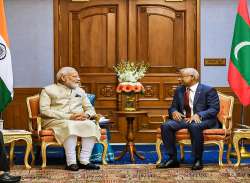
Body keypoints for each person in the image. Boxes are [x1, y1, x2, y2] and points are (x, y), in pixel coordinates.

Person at [157, 68, 220, 170]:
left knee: (194, 126)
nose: (179, 79)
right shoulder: (179, 90)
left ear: (192, 77)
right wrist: (174, 111)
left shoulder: (208, 90)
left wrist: (199, 115)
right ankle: (172, 159)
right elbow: (172, 107)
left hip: (204, 120)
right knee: (166, 125)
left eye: (182, 77)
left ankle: (197, 160)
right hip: (186, 119)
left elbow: (214, 109)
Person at [39, 67, 101, 171]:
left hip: (78, 120)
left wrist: (86, 115)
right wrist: (69, 117)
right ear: (63, 78)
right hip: (55, 121)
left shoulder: (80, 91)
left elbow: (90, 109)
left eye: (78, 76)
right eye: (74, 76)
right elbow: (44, 111)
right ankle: (71, 162)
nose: (79, 79)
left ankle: (84, 161)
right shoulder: (48, 90)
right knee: (69, 125)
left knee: (91, 125)